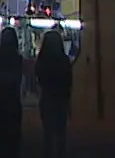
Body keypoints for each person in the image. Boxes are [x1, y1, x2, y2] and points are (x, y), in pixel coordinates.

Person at [27, 28, 67, 158]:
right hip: (61, 97)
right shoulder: (64, 60)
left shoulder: (42, 60)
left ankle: (48, 152)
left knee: (48, 130)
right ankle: (61, 152)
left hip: (47, 96)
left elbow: (38, 77)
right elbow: (69, 80)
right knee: (61, 129)